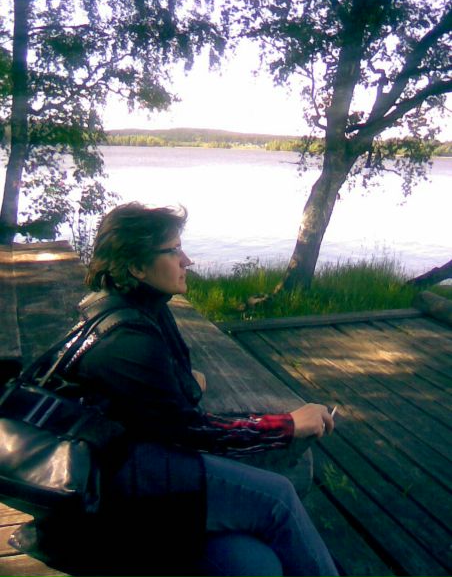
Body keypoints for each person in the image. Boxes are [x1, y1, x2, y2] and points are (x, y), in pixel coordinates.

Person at [39, 202, 339, 577]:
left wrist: (181, 384)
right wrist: (287, 425)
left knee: (254, 564)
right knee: (279, 498)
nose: (188, 261)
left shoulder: (132, 310)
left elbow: (166, 405)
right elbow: (193, 431)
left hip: (130, 469)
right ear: (136, 267)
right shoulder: (128, 341)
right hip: (111, 494)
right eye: (173, 251)